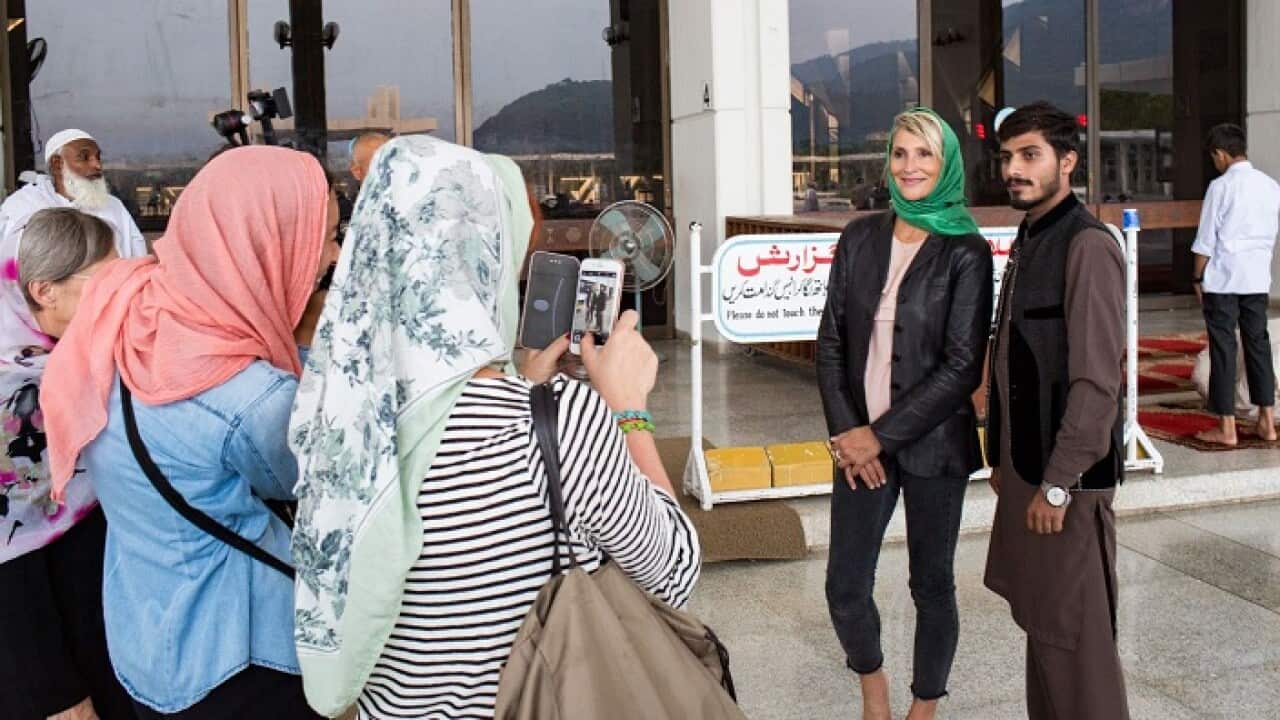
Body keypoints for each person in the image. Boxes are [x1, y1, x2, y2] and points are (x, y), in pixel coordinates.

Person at [287, 135, 702, 718]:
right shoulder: (563, 424)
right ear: (486, 252)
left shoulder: (335, 418)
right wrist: (627, 411)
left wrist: (528, 385)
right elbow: (674, 572)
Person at [38, 146, 343, 719]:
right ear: (265, 246)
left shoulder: (124, 309)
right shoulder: (252, 400)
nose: (330, 255)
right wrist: (306, 345)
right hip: (240, 659)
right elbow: (321, 484)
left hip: (145, 638)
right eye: (322, 236)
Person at [817, 107, 992, 720]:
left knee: (931, 584)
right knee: (844, 585)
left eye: (925, 154)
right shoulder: (859, 237)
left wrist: (879, 437)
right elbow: (832, 343)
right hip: (858, 447)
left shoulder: (965, 251)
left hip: (933, 447)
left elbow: (961, 366)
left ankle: (925, 703)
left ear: (945, 164)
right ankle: (873, 687)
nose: (910, 166)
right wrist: (848, 434)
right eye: (900, 154)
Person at [985, 101, 1130, 719]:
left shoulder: (1088, 246)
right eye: (1008, 158)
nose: (1014, 170)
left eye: (1030, 156)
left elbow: (1097, 382)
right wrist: (1002, 461)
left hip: (1062, 484)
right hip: (1030, 473)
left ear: (1066, 162)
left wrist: (1057, 485)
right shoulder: (1033, 235)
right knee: (1045, 631)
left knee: (1076, 646)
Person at [0, 209, 132, 720]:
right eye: (104, 283)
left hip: (102, 618)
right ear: (43, 290)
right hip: (51, 658)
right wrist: (57, 696)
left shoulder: (73, 359)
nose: (120, 298)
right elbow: (10, 564)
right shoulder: (11, 398)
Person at [1190, 123, 1280, 445]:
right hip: (1256, 279)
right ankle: (1267, 422)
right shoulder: (1271, 186)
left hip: (1224, 280)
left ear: (1221, 154)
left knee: (1224, 348)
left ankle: (1227, 428)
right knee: (1258, 346)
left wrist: (1197, 278)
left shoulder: (1220, 187)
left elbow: (1205, 242)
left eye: (1214, 157)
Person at [0, 130, 149, 261]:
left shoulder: (113, 206)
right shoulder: (24, 206)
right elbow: (8, 269)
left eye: (98, 157)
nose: (97, 165)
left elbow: (136, 259)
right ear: (57, 164)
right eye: (84, 157)